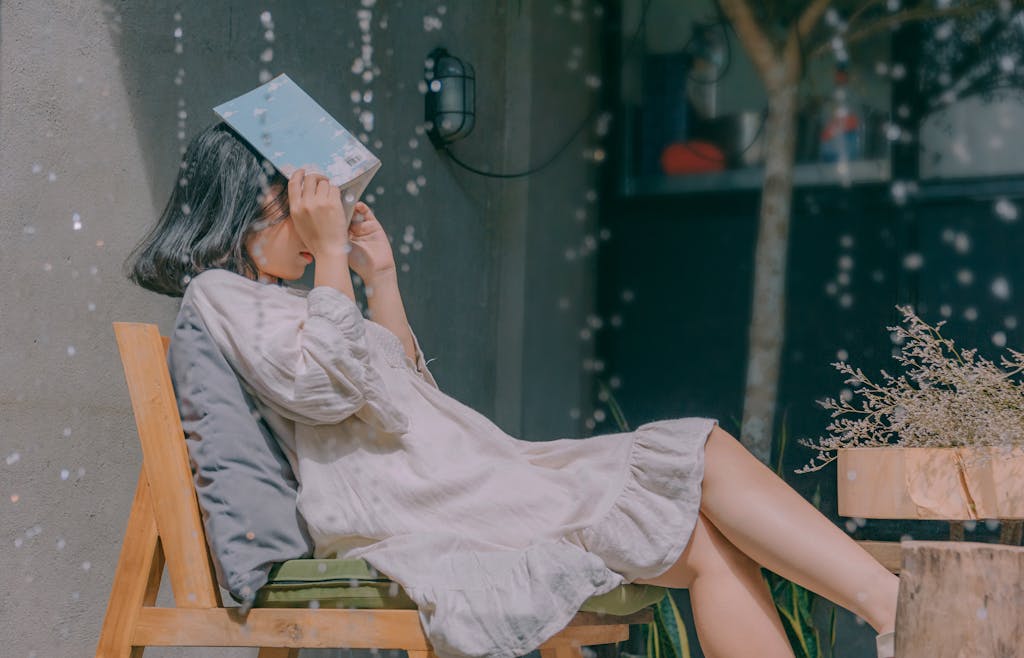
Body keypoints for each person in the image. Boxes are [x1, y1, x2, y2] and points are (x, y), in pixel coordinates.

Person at [124, 122, 898, 658]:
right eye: (302, 207)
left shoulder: (293, 303)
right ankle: (894, 609)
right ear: (255, 202)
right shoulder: (222, 297)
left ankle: (889, 609)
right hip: (410, 503)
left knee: (705, 539)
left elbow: (399, 387)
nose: (315, 223)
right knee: (700, 451)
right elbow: (328, 393)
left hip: (460, 474)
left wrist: (378, 277)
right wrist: (329, 258)